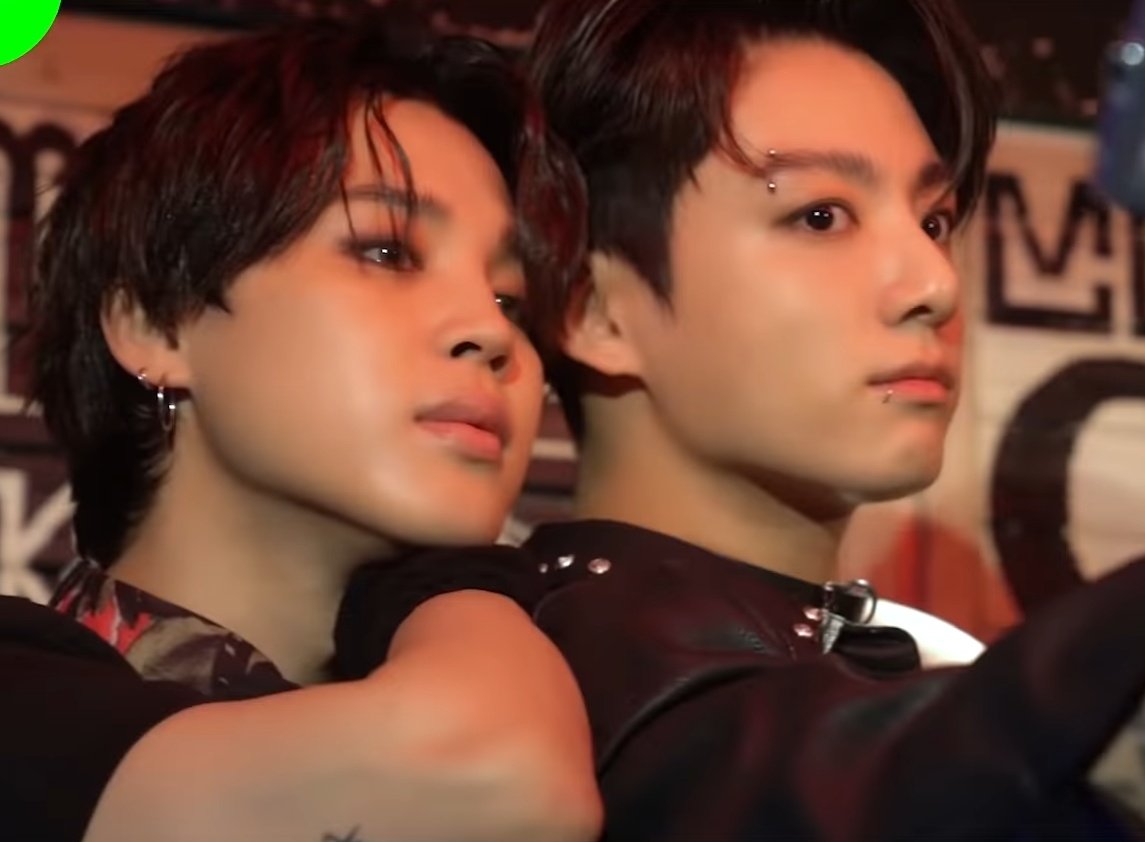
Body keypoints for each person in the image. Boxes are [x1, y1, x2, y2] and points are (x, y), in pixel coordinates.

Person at [511, 0, 1145, 837]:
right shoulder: (533, 699)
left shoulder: (881, 660)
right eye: (820, 216)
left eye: (933, 221)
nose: (935, 283)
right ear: (595, 310)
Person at [0, 12, 600, 842]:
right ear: (156, 326)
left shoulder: (576, 704)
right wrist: (464, 586)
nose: (491, 331)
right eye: (386, 251)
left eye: (510, 299)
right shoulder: (21, 695)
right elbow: (497, 776)